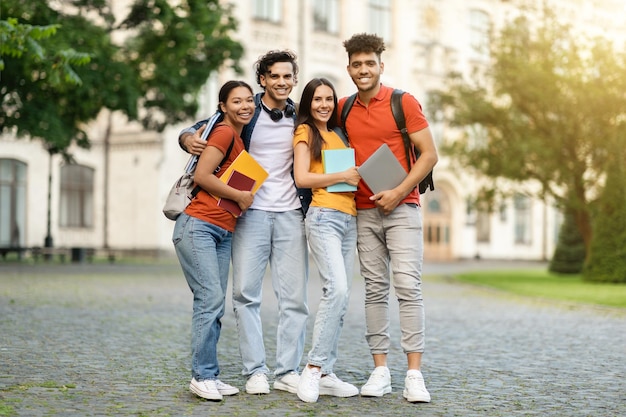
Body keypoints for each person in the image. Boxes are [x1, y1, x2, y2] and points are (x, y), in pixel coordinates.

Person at [178, 50, 309, 395]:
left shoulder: (301, 115)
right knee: (245, 295)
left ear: (294, 79)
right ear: (262, 80)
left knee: (294, 297)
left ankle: (288, 370)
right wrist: (185, 138)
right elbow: (202, 129)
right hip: (248, 213)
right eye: (274, 76)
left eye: (288, 76)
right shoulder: (246, 109)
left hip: (290, 212)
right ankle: (256, 371)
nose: (282, 82)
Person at [338, 33, 439, 403]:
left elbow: (429, 155)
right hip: (363, 210)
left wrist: (398, 192)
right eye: (356, 64)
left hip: (403, 207)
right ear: (348, 68)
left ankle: (414, 375)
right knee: (375, 290)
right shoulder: (343, 107)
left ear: (381, 65)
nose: (363, 70)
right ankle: (379, 370)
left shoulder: (403, 102)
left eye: (369, 63)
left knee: (408, 288)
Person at [173, 80, 255, 401]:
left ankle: (210, 372)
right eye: (236, 101)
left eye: (249, 100)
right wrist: (241, 196)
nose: (245, 106)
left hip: (222, 230)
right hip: (199, 226)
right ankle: (202, 376)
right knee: (209, 300)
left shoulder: (236, 137)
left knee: (214, 302)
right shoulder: (222, 132)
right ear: (223, 106)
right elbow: (202, 177)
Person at [292, 78, 361, 403]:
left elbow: (349, 179)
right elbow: (302, 178)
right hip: (323, 218)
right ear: (308, 103)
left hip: (350, 219)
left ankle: (329, 371)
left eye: (329, 99)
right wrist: (342, 176)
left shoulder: (338, 134)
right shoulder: (306, 132)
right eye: (317, 99)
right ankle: (313, 368)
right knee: (338, 289)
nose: (324, 104)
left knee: (342, 299)